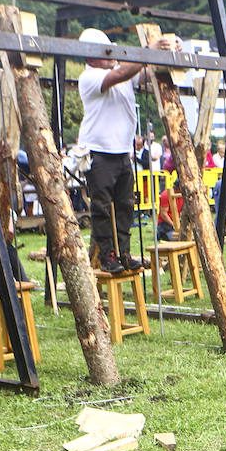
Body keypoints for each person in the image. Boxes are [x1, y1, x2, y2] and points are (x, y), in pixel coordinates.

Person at [78, 26, 170, 273]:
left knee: (125, 204)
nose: (111, 56)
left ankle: (123, 252)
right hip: (99, 151)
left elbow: (142, 73)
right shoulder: (89, 77)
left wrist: (164, 52)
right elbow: (121, 74)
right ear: (90, 57)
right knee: (102, 206)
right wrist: (146, 52)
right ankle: (107, 254)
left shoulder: (121, 72)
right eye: (105, 52)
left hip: (121, 152)